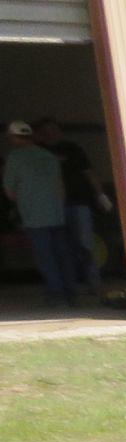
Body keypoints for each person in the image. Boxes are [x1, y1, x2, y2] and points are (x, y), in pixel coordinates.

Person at [3, 120, 76, 306]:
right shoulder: (48, 156)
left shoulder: (15, 158)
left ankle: (57, 295)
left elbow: (10, 192)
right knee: (62, 254)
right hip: (56, 213)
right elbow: (61, 186)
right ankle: (71, 293)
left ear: (12, 137)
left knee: (45, 257)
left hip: (34, 215)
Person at [35, 119, 107, 300]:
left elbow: (88, 172)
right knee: (60, 249)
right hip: (50, 207)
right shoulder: (37, 151)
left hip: (77, 204)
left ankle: (94, 285)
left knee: (84, 245)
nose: (51, 133)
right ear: (41, 133)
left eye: (54, 129)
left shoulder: (73, 149)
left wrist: (100, 194)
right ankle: (68, 289)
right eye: (47, 130)